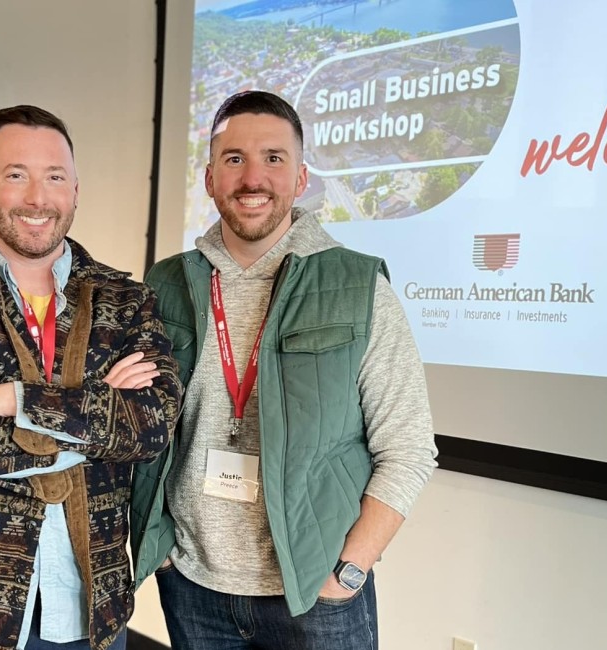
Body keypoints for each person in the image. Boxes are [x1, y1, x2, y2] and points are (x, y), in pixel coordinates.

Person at [130, 90, 438, 649]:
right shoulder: (164, 285)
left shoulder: (358, 286)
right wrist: (165, 552)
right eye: (234, 159)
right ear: (209, 178)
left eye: (274, 158)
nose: (254, 178)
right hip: (192, 585)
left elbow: (410, 447)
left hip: (314, 597)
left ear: (300, 179)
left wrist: (349, 570)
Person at [0, 105, 182, 650]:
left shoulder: (126, 300)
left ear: (75, 190)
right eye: (16, 175)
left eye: (54, 178)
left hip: (89, 605)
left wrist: (16, 399)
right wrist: (92, 424)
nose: (37, 199)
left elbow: (152, 425)